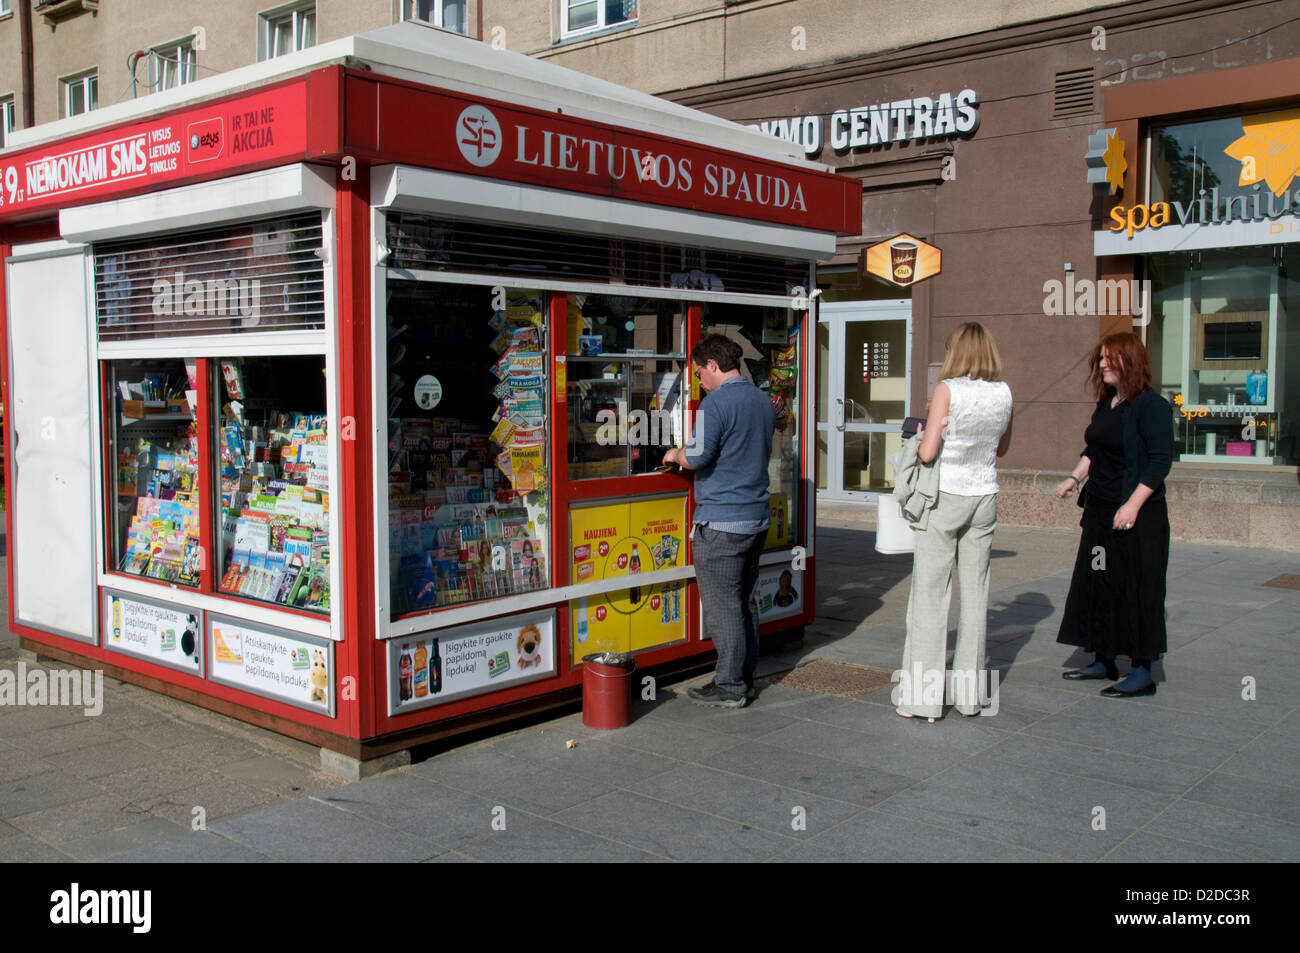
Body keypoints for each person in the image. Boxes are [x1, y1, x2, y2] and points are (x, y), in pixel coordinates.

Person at [896, 322, 1012, 722]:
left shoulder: (947, 389)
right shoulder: (1004, 392)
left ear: (956, 353)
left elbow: (928, 454)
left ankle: (923, 700)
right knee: (976, 595)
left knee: (930, 596)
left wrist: (930, 425)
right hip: (984, 496)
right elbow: (1003, 447)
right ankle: (968, 697)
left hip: (945, 496)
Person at [1056, 333, 1172, 698]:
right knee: (1099, 582)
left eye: (1109, 358)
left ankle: (1141, 671)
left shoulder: (1151, 406)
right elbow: (1093, 449)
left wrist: (1133, 505)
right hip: (1100, 512)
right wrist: (1074, 478)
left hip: (1138, 518)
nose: (1102, 364)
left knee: (1137, 590)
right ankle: (1103, 658)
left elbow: (1159, 462)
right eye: (1101, 358)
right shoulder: (1107, 402)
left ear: (1130, 362)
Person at [663, 334, 775, 709]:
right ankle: (744, 677)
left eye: (698, 373)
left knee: (724, 606)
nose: (698, 381)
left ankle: (729, 686)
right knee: (745, 601)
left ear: (712, 364)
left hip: (723, 522)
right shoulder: (762, 401)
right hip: (756, 517)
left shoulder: (716, 404)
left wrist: (674, 453)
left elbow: (697, 457)